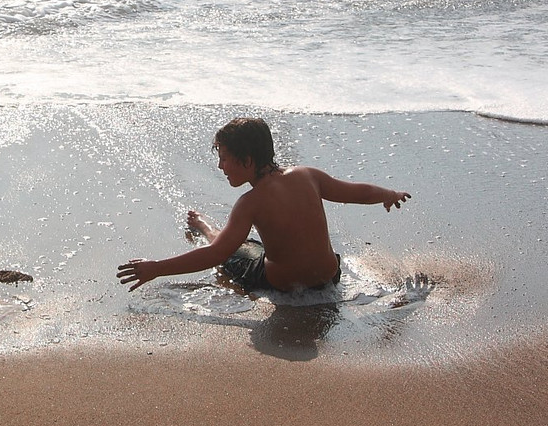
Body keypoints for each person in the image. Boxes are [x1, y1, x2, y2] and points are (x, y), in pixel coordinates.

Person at [117, 117, 410, 294]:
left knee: (235, 248)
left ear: (247, 161)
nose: (220, 166)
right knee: (258, 242)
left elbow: (215, 255)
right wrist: (389, 193)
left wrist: (157, 268)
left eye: (224, 158)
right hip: (329, 278)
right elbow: (356, 192)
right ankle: (209, 227)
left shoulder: (249, 203)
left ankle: (206, 226)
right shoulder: (307, 175)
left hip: (282, 285)